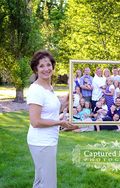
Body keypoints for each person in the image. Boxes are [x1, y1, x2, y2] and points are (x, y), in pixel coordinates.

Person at [27, 50, 74, 188]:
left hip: (48, 140)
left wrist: (66, 101)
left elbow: (50, 112)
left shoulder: (48, 87)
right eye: (41, 66)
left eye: (48, 65)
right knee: (48, 184)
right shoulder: (36, 89)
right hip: (41, 142)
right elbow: (35, 121)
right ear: (36, 69)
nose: (46, 69)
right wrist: (60, 122)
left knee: (41, 181)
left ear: (53, 67)